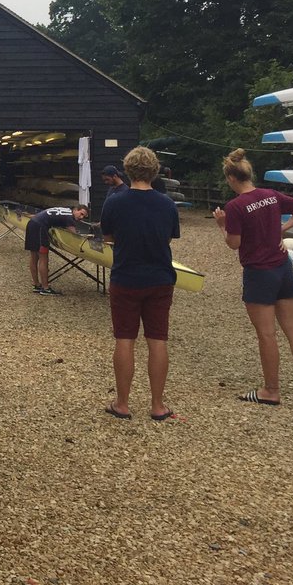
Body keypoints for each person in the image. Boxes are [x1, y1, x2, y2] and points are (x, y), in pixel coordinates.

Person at [212, 148, 293, 405]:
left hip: (259, 273)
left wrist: (221, 225)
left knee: (267, 334)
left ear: (231, 178)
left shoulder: (235, 207)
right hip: (282, 268)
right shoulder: (271, 196)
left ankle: (271, 391)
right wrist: (281, 229)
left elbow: (234, 243)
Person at [100, 146, 181, 422]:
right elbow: (169, 238)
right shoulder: (167, 204)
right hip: (160, 278)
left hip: (126, 278)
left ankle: (122, 404)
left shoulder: (115, 202)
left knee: (125, 339)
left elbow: (108, 236)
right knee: (158, 340)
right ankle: (157, 405)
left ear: (128, 170)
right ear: (154, 170)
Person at [25, 204, 89, 295]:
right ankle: (45, 288)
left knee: (34, 257)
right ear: (75, 210)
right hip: (40, 227)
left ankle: (36, 284)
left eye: (84, 216)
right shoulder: (69, 218)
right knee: (43, 258)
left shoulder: (66, 210)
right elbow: (76, 236)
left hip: (32, 223)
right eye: (81, 214)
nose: (81, 217)